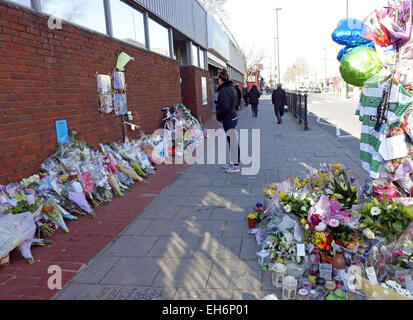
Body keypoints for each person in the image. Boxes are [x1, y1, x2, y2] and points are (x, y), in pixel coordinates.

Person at [216, 69, 240, 174]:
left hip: (228, 119)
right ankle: (232, 163)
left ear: (221, 80)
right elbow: (236, 101)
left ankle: (236, 165)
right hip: (233, 117)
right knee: (232, 141)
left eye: (218, 79)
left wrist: (219, 115)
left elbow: (225, 106)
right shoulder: (232, 88)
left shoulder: (224, 90)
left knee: (233, 142)